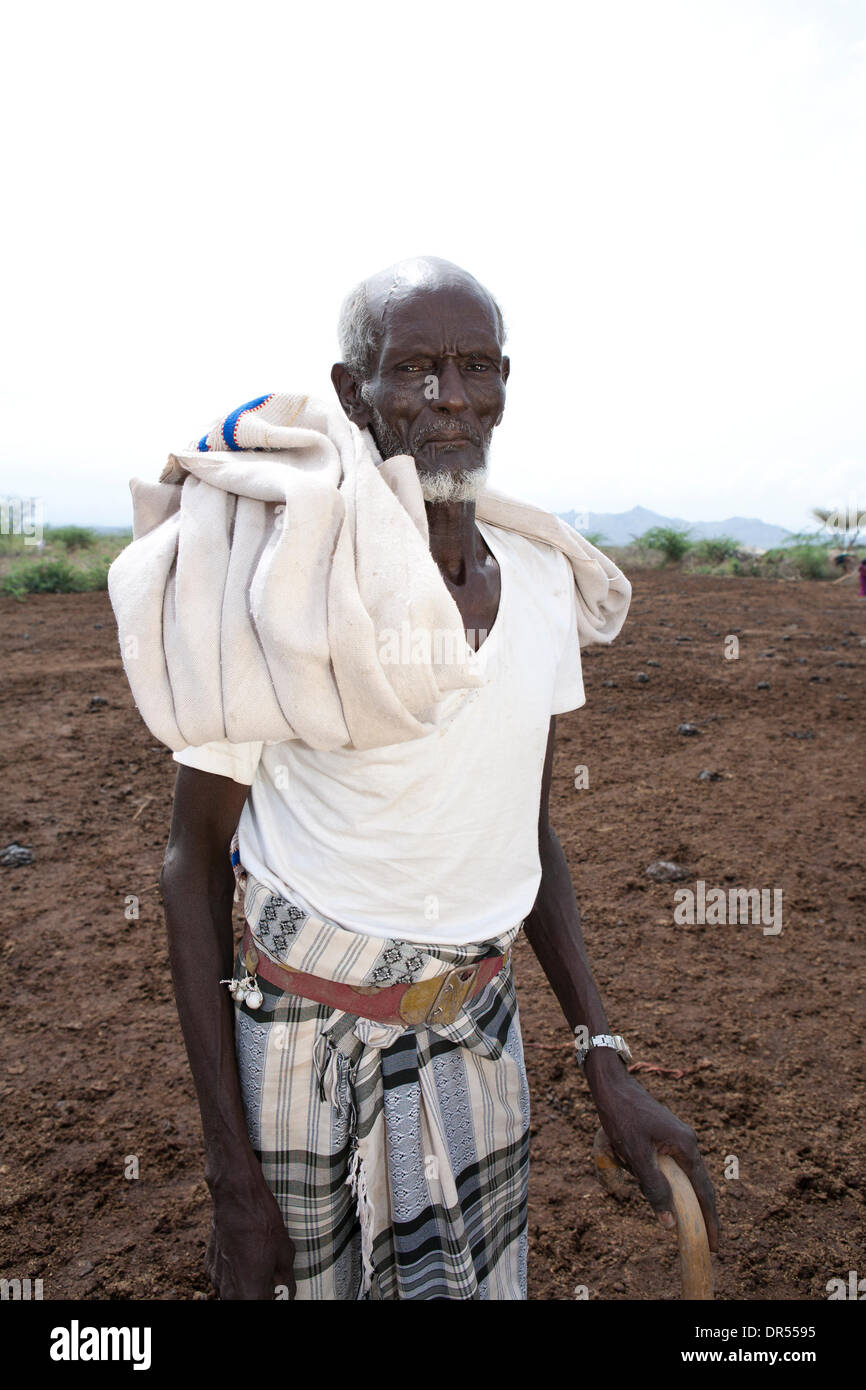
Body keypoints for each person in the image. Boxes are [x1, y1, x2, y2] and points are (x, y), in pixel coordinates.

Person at [158, 256, 719, 1300]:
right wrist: (231, 1178)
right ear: (348, 391)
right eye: (411, 369)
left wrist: (600, 1051)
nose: (447, 397)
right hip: (299, 1059)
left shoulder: (543, 578)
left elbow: (527, 832)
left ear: (505, 379)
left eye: (471, 367)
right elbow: (190, 865)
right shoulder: (275, 580)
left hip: (479, 1037)